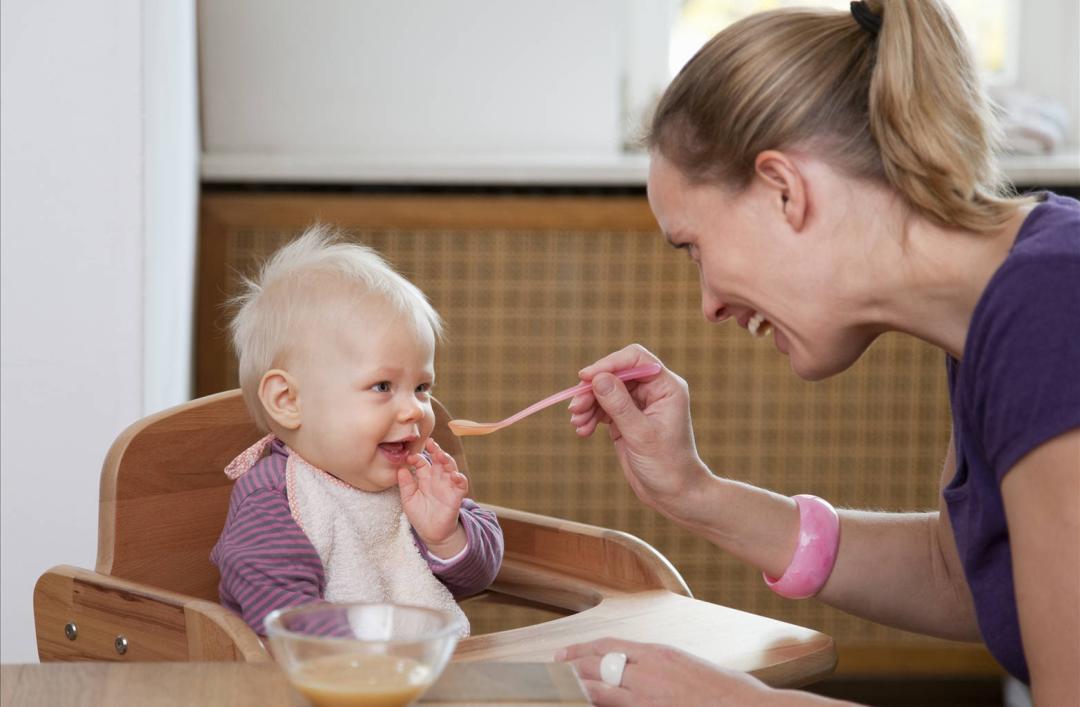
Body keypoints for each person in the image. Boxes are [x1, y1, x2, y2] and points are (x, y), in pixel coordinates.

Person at [555, 1, 1079, 704]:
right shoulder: (1005, 301)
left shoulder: (1048, 309)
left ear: (783, 190)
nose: (708, 302)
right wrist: (695, 493)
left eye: (695, 249)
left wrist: (740, 701)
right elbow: (964, 574)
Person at [211, 227, 503, 637]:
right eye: (382, 387)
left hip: (420, 676)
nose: (414, 410)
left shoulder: (415, 479)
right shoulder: (277, 502)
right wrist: (375, 659)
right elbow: (287, 621)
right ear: (288, 400)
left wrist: (445, 536)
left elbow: (478, 578)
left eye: (422, 387)